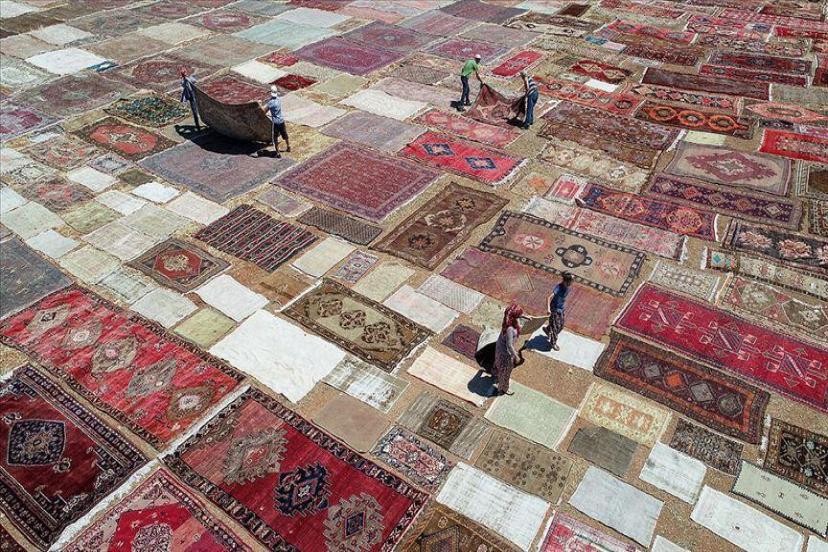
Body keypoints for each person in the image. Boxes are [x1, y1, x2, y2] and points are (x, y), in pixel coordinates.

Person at [494, 304, 523, 396]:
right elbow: (509, 345)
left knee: (500, 366)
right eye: (519, 315)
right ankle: (503, 388)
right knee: (506, 373)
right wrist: (516, 356)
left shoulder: (507, 321)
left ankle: (497, 371)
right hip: (505, 353)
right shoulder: (510, 329)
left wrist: (526, 317)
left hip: (500, 347)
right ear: (515, 317)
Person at [545, 272, 573, 351]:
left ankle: (548, 329)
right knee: (556, 327)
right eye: (571, 281)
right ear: (566, 281)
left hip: (561, 309)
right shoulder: (559, 287)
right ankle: (553, 343)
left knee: (561, 325)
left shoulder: (568, 288)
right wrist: (548, 309)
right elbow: (548, 297)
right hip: (554, 309)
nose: (572, 283)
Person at [264, 85, 290, 158]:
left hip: (276, 123)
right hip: (281, 120)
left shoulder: (270, 103)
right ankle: (288, 146)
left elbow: (264, 111)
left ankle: (278, 153)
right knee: (284, 134)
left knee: (275, 138)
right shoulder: (278, 100)